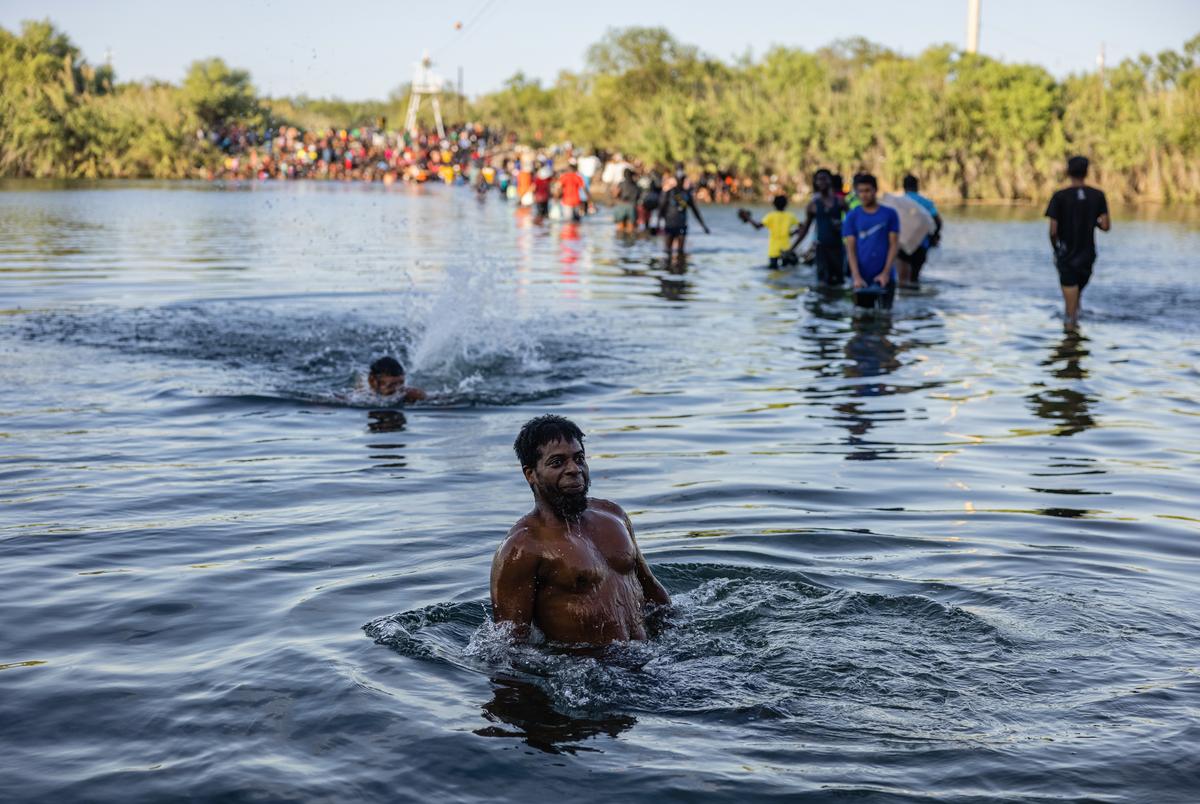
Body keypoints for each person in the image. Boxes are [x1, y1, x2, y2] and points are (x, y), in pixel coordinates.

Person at [490, 415, 671, 644]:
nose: (574, 469)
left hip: (651, 659)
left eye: (579, 458)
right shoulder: (522, 548)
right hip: (589, 670)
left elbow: (651, 591)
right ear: (530, 474)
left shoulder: (614, 515)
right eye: (557, 462)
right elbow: (508, 646)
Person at [1045, 156, 1110, 326]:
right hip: (1088, 256)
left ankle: (1070, 341)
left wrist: (1056, 249)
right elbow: (1105, 226)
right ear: (1086, 172)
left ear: (1068, 172)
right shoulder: (1098, 195)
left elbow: (1053, 231)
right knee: (1077, 300)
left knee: (1070, 312)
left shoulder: (1059, 197)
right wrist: (1090, 220)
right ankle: (1077, 340)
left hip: (1067, 256)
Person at [842, 173, 900, 310]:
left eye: (867, 190)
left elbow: (894, 245)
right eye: (860, 191)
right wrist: (856, 276)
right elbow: (851, 249)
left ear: (875, 190)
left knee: (885, 321)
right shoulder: (852, 216)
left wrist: (885, 273)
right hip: (861, 278)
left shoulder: (889, 214)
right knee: (861, 322)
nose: (864, 195)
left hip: (885, 277)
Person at [792, 169, 848, 285]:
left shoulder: (841, 202)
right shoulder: (812, 206)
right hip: (821, 249)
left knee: (839, 281)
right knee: (822, 282)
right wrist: (792, 248)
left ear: (830, 181)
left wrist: (843, 225)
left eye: (824, 178)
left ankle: (835, 303)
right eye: (818, 179)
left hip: (838, 248)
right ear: (815, 183)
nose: (821, 182)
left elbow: (854, 222)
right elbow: (805, 230)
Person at [658, 164, 710, 264]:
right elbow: (662, 207)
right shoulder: (671, 193)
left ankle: (677, 270)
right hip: (671, 225)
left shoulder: (685, 194)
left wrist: (704, 226)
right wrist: (658, 222)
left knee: (676, 252)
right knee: (670, 252)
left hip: (678, 225)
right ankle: (672, 269)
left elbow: (695, 211)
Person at [898, 175, 943, 285]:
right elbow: (938, 222)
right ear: (917, 186)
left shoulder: (899, 202)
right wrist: (935, 236)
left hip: (902, 244)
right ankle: (916, 296)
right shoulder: (927, 203)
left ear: (903, 186)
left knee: (902, 279)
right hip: (922, 244)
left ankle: (907, 299)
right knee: (915, 277)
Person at [739, 195, 799, 269]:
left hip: (773, 250)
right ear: (786, 204)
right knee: (786, 270)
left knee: (773, 271)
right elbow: (802, 227)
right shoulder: (790, 216)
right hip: (786, 249)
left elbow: (757, 226)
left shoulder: (770, 216)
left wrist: (748, 218)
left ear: (774, 204)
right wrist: (792, 233)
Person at [613, 168, 640, 233]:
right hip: (631, 206)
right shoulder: (635, 184)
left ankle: (620, 242)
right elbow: (638, 196)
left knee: (620, 229)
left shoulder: (621, 184)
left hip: (621, 206)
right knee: (631, 229)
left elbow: (615, 194)